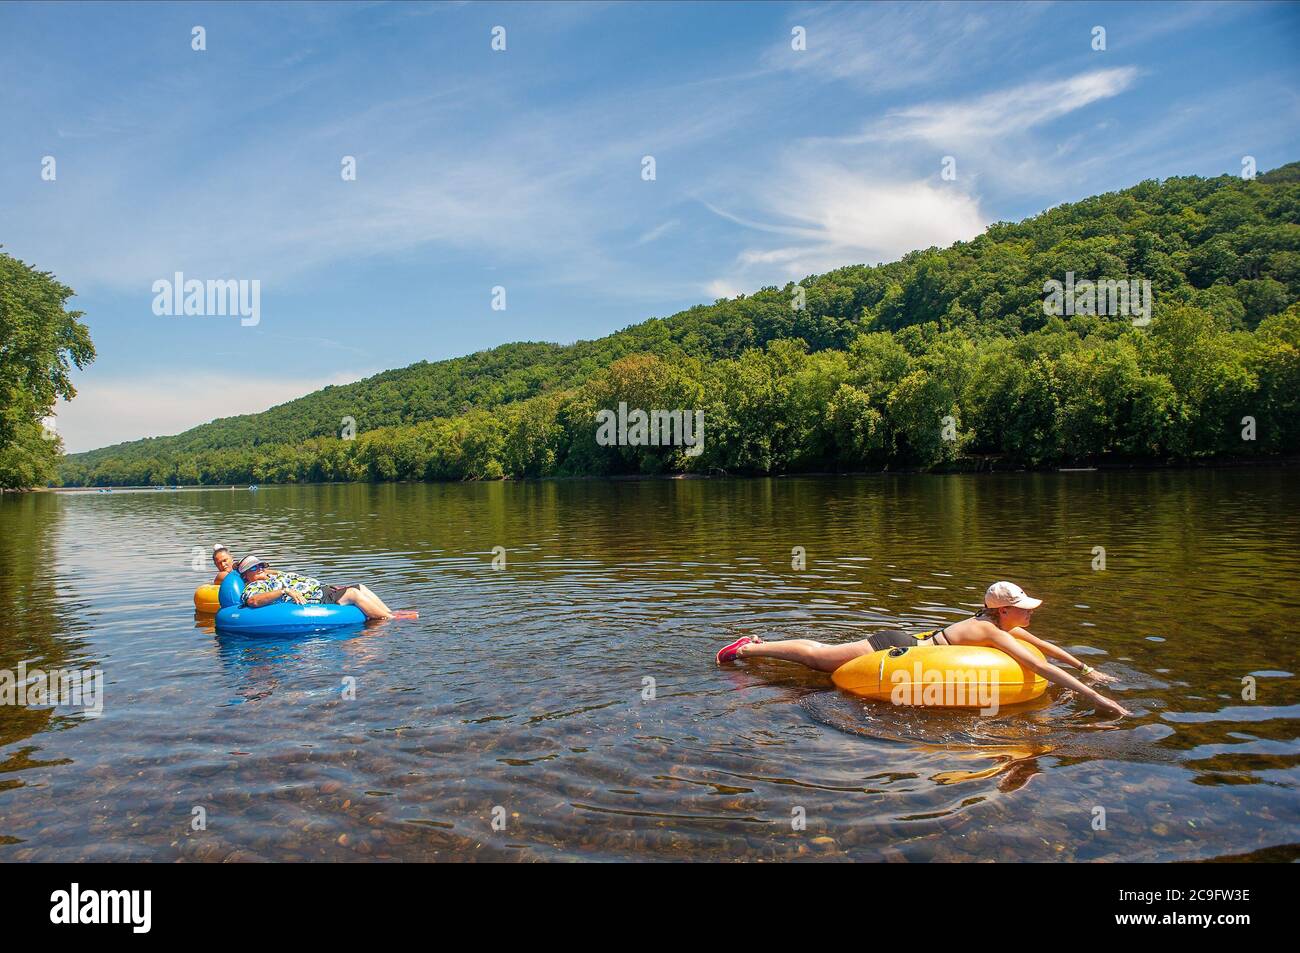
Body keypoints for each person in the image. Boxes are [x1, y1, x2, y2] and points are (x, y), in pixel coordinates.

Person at [716, 581, 1129, 717]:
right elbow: (1044, 670)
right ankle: (750, 649)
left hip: (909, 646)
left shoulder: (998, 626)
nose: (1030, 615)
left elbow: (1045, 650)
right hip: (896, 649)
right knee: (819, 658)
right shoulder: (992, 633)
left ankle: (754, 647)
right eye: (1023, 610)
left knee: (819, 661)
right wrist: (1098, 701)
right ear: (1003, 611)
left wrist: (1087, 669)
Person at [234, 554, 417, 621]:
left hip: (323, 589)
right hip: (316, 598)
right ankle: (390, 618)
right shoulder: (254, 587)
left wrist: (265, 569)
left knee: (360, 586)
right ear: (245, 576)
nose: (260, 569)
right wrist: (284, 591)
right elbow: (253, 601)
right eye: (254, 568)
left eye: (261, 566)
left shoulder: (271, 575)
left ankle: (390, 611)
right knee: (353, 593)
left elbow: (265, 569)